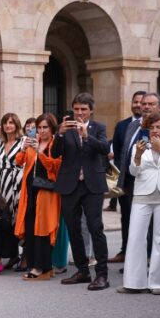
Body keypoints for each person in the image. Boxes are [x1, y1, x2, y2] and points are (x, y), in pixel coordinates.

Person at [113, 92, 160, 264]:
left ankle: (152, 260)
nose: (145, 107)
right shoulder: (132, 126)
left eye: (151, 104)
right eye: (143, 103)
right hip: (132, 181)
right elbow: (122, 153)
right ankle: (134, 260)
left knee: (155, 228)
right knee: (131, 222)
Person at [53, 93, 112, 291]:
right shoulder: (65, 129)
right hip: (70, 185)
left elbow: (104, 149)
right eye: (76, 109)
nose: (79, 113)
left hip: (92, 185)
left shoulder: (99, 128)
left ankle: (102, 274)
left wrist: (87, 136)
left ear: (91, 111)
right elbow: (54, 153)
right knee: (73, 229)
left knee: (96, 228)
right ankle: (82, 271)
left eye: (83, 109)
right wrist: (59, 134)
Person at [120, 113, 160, 295]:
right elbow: (133, 171)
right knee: (135, 238)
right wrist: (137, 155)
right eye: (152, 127)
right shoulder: (141, 148)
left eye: (159, 127)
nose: (155, 131)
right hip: (142, 195)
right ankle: (133, 282)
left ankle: (158, 283)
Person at [14, 113, 62, 280]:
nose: (41, 131)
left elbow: (55, 166)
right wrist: (23, 147)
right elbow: (18, 161)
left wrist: (39, 152)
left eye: (45, 127)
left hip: (46, 191)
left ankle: (43, 268)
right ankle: (34, 264)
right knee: (30, 227)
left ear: (52, 128)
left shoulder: (55, 144)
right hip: (30, 191)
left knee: (43, 228)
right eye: (39, 128)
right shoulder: (34, 142)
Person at [0, 113, 24, 270]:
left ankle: (25, 256)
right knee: (7, 220)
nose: (8, 126)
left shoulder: (23, 141)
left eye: (11, 123)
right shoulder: (0, 143)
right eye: (5, 123)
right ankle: (13, 255)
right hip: (3, 185)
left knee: (19, 219)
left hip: (18, 183)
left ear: (17, 125)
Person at [108, 91, 146, 213]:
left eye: (141, 102)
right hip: (125, 179)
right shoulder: (122, 125)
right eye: (135, 102)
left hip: (143, 178)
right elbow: (118, 151)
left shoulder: (151, 124)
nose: (138, 105)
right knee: (126, 215)